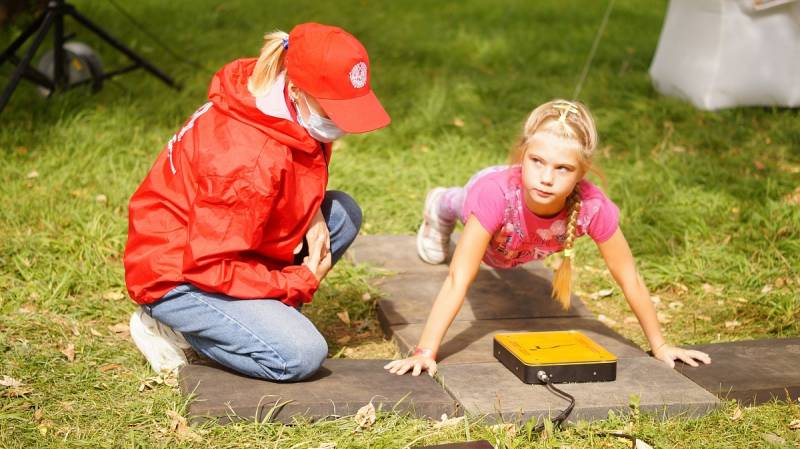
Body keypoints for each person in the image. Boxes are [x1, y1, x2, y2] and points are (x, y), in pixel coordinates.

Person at [123, 22, 390, 381]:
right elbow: (209, 266)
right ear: (297, 89)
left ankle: (257, 321)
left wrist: (311, 214)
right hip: (180, 276)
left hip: (228, 242)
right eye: (335, 110)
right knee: (300, 355)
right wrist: (297, 282)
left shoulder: (279, 96)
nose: (343, 123)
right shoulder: (247, 159)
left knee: (341, 215)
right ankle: (172, 324)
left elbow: (286, 176)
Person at [384, 99, 710, 377]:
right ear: (522, 155)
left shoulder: (593, 208)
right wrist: (425, 350)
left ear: (581, 173)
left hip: (519, 248)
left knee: (503, 249)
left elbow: (629, 277)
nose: (546, 178)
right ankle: (440, 203)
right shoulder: (493, 194)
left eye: (563, 168)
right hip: (491, 203)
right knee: (462, 203)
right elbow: (458, 278)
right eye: (537, 161)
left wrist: (660, 345)